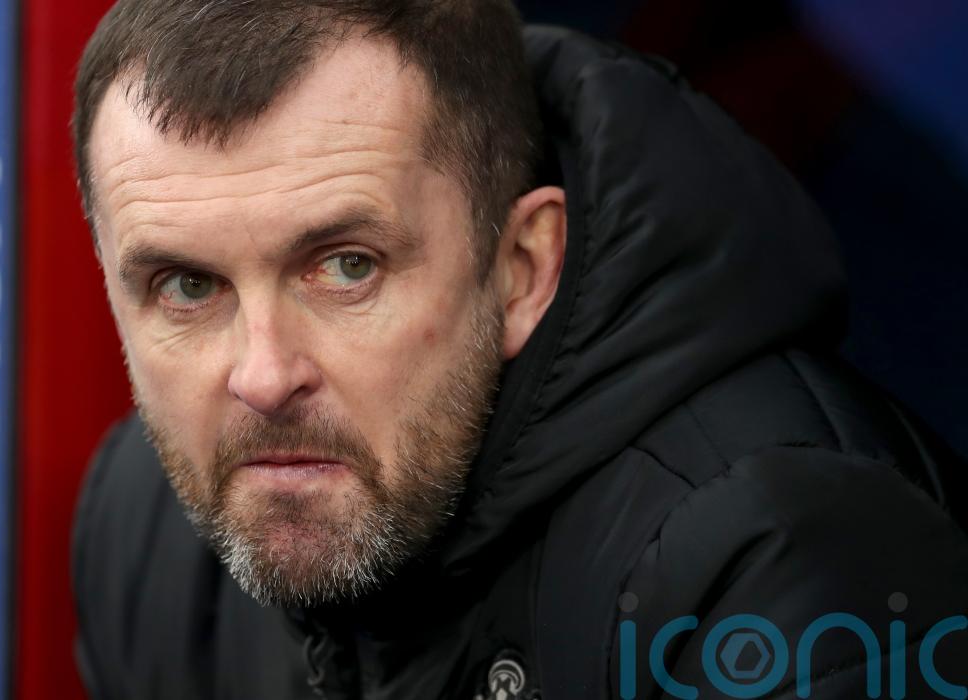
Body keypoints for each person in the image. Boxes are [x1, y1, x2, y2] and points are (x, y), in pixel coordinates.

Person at [68, 1, 968, 698]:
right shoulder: (144, 531)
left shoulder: (788, 556)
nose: (264, 376)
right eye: (187, 286)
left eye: (347, 267)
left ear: (522, 267)